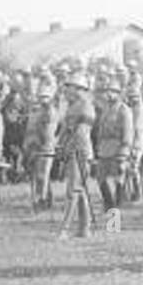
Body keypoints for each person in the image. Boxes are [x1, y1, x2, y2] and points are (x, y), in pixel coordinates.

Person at [57, 71, 97, 237]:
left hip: (80, 151)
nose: (66, 90)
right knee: (79, 191)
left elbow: (80, 133)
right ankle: (84, 229)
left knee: (73, 190)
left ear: (79, 88)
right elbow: (65, 131)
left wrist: (67, 148)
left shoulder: (86, 106)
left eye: (69, 87)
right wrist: (61, 145)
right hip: (72, 150)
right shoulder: (72, 106)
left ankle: (64, 230)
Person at [94, 75, 133, 214]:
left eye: (112, 91)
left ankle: (116, 209)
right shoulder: (106, 109)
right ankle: (109, 204)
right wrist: (98, 148)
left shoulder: (124, 110)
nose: (108, 94)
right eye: (107, 91)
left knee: (118, 179)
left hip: (118, 148)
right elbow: (100, 130)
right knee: (100, 178)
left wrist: (124, 152)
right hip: (104, 149)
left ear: (118, 93)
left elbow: (127, 133)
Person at [23, 79, 61, 212]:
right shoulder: (37, 112)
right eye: (41, 97)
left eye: (45, 97)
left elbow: (47, 133)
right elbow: (30, 130)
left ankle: (42, 202)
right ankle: (45, 200)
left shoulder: (50, 112)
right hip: (35, 147)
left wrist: (37, 144)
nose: (42, 99)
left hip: (45, 147)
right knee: (40, 176)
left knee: (42, 176)